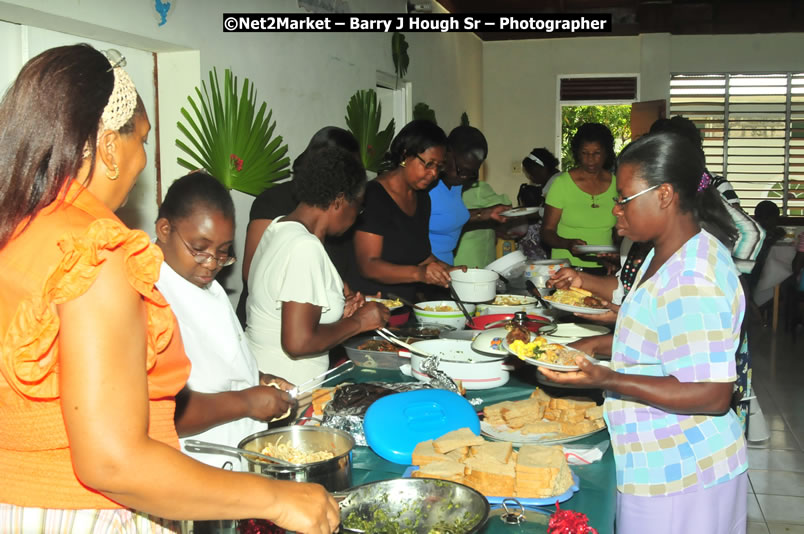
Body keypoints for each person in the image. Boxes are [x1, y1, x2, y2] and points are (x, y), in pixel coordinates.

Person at [0, 44, 338, 533]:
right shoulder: (94, 252)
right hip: (83, 514)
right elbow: (112, 462)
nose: (141, 158)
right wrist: (276, 496)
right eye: (140, 138)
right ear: (110, 147)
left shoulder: (18, 234)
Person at [541, 132, 747, 534]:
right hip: (658, 458)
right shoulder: (662, 251)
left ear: (665, 195)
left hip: (684, 473)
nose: (616, 210)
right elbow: (655, 339)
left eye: (625, 198)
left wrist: (608, 377)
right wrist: (592, 346)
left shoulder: (693, 275)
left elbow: (712, 393)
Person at [154, 172, 294, 469]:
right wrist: (247, 401)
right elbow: (170, 413)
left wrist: (257, 379)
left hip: (233, 456)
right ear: (165, 229)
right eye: (199, 248)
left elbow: (215, 363)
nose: (211, 264)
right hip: (192, 466)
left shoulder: (206, 285)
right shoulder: (151, 295)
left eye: (223, 253)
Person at [246, 146, 389, 385]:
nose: (357, 216)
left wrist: (339, 315)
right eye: (359, 206)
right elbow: (298, 342)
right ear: (340, 200)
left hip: (268, 377)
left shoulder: (279, 227)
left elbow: (284, 310)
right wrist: (359, 322)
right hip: (290, 391)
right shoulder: (305, 246)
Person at [235, 126, 361, 327]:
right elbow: (253, 272)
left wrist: (342, 294)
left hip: (321, 328)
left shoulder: (339, 216)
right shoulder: (275, 202)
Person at [349, 120, 464, 303]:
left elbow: (421, 255)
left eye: (439, 167)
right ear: (404, 155)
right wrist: (419, 274)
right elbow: (369, 265)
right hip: (371, 304)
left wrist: (449, 271)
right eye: (428, 164)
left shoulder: (422, 198)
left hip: (403, 306)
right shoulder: (373, 196)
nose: (434, 174)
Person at [541, 123, 618, 273]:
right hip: (567, 268)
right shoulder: (562, 184)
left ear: (606, 153)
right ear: (577, 153)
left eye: (597, 153)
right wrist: (567, 244)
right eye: (585, 153)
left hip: (605, 268)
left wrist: (615, 258)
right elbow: (546, 232)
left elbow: (620, 231)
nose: (590, 159)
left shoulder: (617, 184)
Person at [428, 126, 509, 264]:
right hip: (426, 273)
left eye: (472, 172)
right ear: (446, 153)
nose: (465, 177)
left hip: (443, 271)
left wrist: (486, 213)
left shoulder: (455, 184)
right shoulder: (427, 185)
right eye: (462, 170)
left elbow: (448, 218)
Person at [517, 148, 561, 261]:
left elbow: (549, 212)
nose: (531, 178)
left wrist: (528, 214)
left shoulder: (557, 183)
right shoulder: (553, 180)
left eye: (532, 173)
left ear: (543, 168)